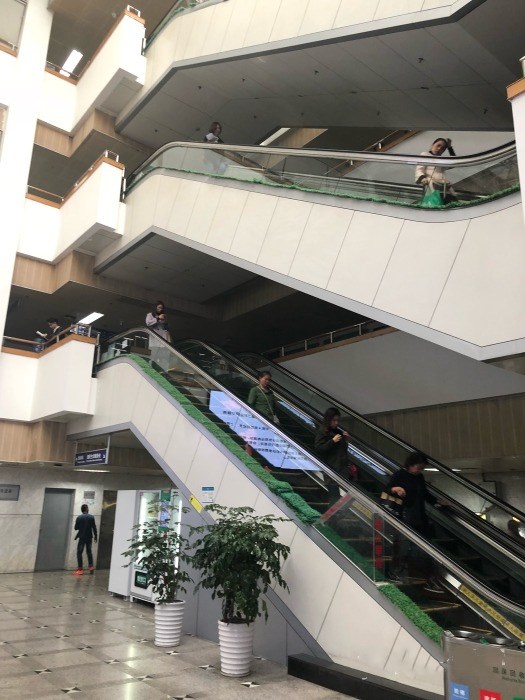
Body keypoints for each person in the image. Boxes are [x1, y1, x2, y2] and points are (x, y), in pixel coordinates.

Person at [385, 451, 445, 592]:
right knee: (402, 546)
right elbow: (386, 490)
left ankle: (430, 580)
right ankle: (395, 573)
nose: (420, 470)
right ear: (411, 464)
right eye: (418, 467)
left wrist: (437, 501)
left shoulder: (419, 477)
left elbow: (424, 494)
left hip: (419, 516)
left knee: (426, 549)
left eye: (422, 468)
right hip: (404, 516)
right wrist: (395, 489)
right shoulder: (400, 474)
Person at [415, 137, 458, 204]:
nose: (439, 148)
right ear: (432, 145)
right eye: (438, 145)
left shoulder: (442, 160)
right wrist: (422, 178)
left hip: (444, 185)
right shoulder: (425, 154)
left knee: (450, 204)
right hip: (431, 184)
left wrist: (449, 147)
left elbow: (453, 163)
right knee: (434, 203)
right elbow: (419, 169)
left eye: (442, 148)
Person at [74, 504, 98, 575]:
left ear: (81, 510)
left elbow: (76, 528)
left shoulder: (79, 517)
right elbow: (94, 527)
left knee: (79, 552)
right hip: (89, 537)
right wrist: (95, 536)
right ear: (87, 509)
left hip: (82, 537)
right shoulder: (91, 517)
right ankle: (91, 567)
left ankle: (80, 569)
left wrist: (81, 526)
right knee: (89, 552)